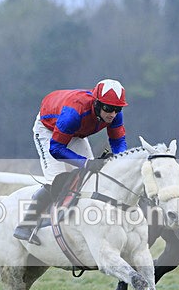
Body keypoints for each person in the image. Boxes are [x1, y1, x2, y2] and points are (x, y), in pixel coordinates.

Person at [13, 79, 129, 244]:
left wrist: (120, 163)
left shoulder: (115, 115)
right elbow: (56, 149)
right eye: (108, 108)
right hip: (49, 131)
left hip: (75, 133)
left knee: (91, 176)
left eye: (117, 109)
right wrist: (86, 163)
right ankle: (25, 225)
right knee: (58, 180)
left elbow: (118, 143)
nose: (112, 114)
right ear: (96, 103)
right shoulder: (73, 113)